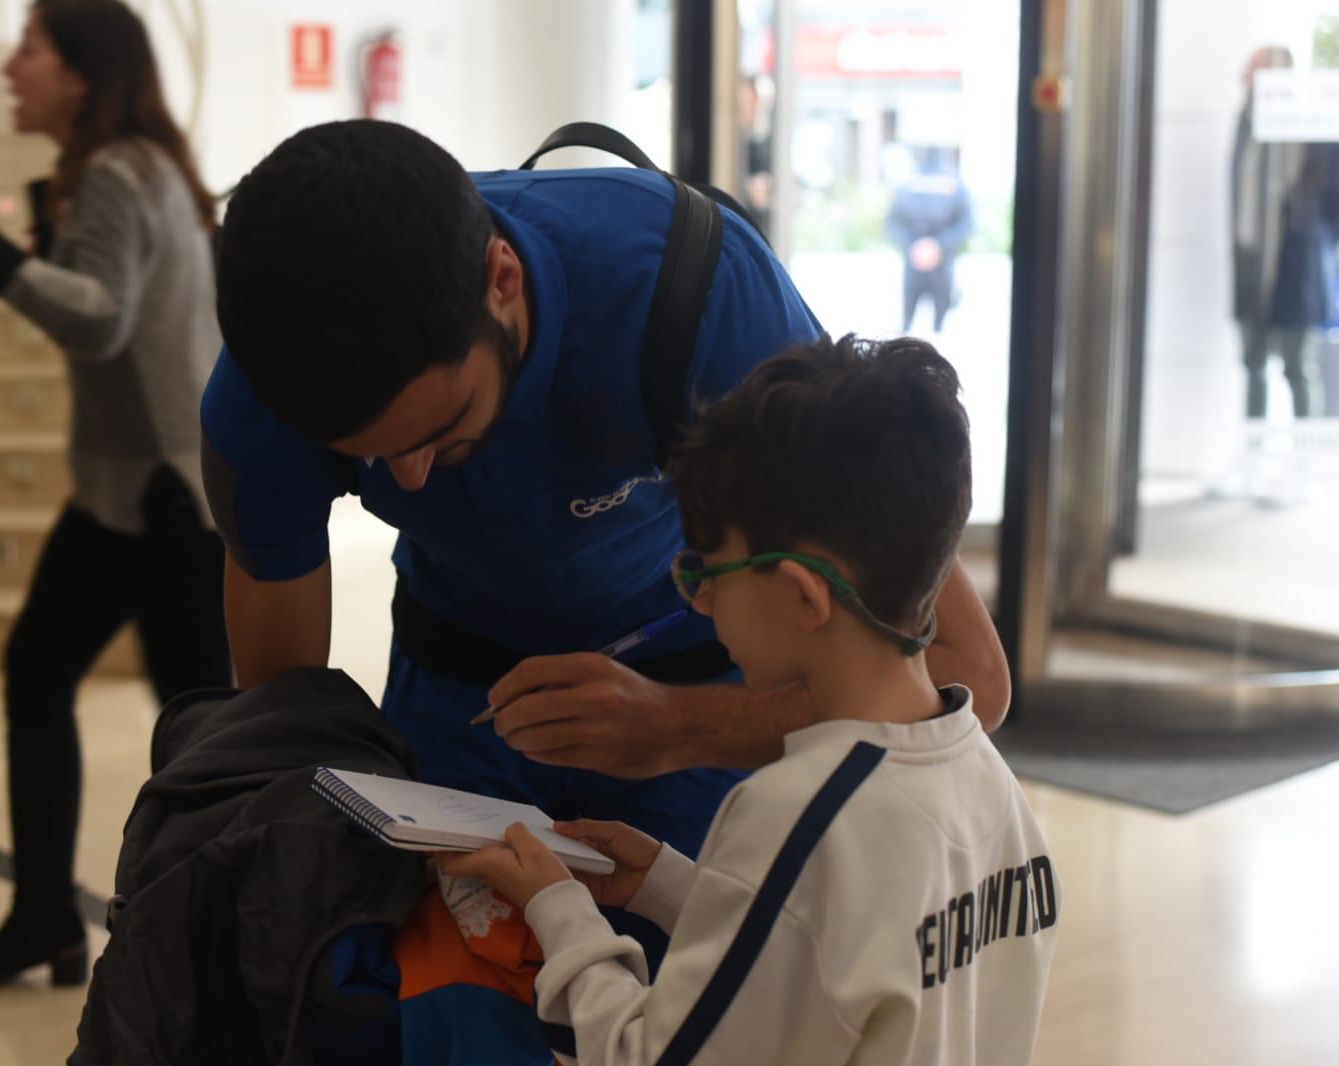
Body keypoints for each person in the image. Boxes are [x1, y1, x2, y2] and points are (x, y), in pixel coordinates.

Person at [204, 120, 1011, 963]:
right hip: (455, 693)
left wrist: (682, 729)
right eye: (365, 458)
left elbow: (965, 677)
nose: (407, 481)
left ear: (501, 281)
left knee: (692, 999)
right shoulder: (268, 393)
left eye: (440, 435)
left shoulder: (700, 296)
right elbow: (285, 728)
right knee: (452, 1012)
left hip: (697, 687)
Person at [443, 334, 1060, 1066]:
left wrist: (557, 908)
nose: (700, 602)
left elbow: (649, 1057)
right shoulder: (991, 789)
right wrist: (669, 885)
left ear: (801, 595)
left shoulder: (796, 811)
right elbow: (841, 958)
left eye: (710, 570)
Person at [0, 0, 232, 988]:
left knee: (204, 733)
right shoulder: (126, 166)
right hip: (129, 494)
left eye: (31, 49)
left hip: (165, 503)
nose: (11, 67)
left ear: (82, 74)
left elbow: (98, 321)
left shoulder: (120, 173)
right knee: (50, 678)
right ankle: (47, 916)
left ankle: (227, 946)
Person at [1231, 45, 1336, 420]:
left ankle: (1306, 458)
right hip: (1250, 259)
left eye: (1256, 71)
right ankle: (1254, 452)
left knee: (1296, 364)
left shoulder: (1312, 131)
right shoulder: (1245, 124)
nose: (1247, 79)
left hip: (1295, 264)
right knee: (1253, 363)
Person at [886, 147, 973, 333]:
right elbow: (893, 222)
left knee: (941, 315)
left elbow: (965, 222)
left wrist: (937, 246)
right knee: (908, 320)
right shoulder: (908, 184)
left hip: (940, 260)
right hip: (917, 259)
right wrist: (914, 247)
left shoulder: (951, 185)